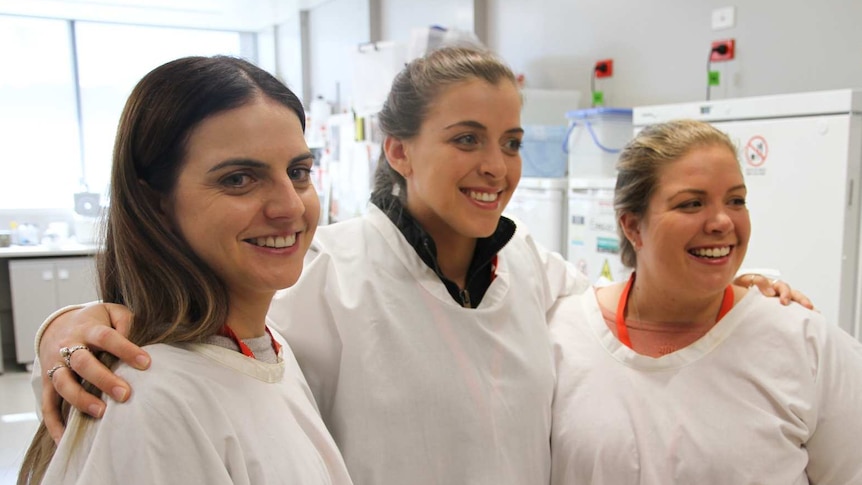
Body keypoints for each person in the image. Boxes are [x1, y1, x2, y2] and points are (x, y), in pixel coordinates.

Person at [30, 48, 808, 485]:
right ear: (397, 150)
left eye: (511, 141)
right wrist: (71, 326)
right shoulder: (317, 277)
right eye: (466, 138)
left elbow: (627, 312)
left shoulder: (531, 268)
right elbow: (179, 352)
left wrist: (728, 288)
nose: (496, 166)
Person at [18, 55, 353, 485]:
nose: (290, 205)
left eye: (298, 172)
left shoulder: (264, 349)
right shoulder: (149, 396)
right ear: (156, 203)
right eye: (238, 179)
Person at [548, 119, 862, 484]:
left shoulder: (803, 342)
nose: (722, 222)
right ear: (633, 226)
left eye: (736, 200)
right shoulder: (563, 337)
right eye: (692, 203)